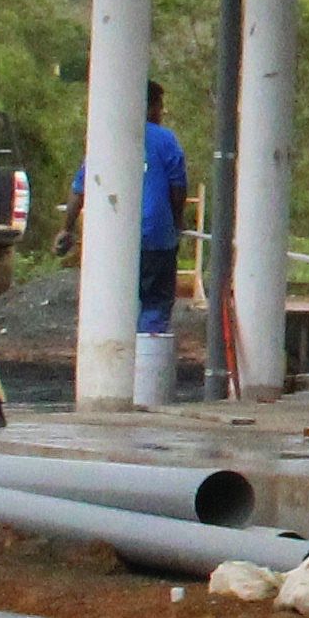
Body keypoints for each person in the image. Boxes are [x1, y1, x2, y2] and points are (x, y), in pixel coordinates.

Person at [135, 82, 190, 403]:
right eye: (159, 105)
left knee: (123, 302)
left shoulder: (109, 135)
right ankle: (147, 387)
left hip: (120, 245)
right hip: (158, 237)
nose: (161, 112)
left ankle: (118, 376)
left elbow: (81, 186)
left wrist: (67, 227)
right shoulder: (165, 139)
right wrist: (177, 221)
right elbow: (177, 187)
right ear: (151, 106)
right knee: (155, 302)